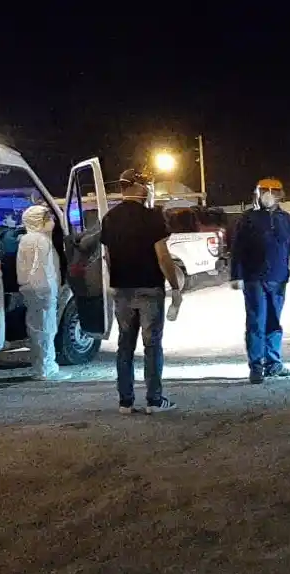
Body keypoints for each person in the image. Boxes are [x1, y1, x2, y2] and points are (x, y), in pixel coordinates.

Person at [100, 169, 182, 414]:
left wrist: (117, 281)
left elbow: (108, 257)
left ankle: (125, 401)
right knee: (152, 346)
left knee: (125, 346)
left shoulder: (109, 218)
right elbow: (163, 257)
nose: (149, 189)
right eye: (147, 185)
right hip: (149, 289)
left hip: (122, 290)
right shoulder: (152, 217)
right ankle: (154, 400)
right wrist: (175, 287)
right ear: (138, 186)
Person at [230, 177, 290, 384]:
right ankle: (256, 368)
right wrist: (236, 275)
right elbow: (237, 249)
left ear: (280, 195)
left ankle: (274, 365)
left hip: (278, 279)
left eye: (273, 191)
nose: (268, 194)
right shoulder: (247, 219)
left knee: (274, 323)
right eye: (264, 190)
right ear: (257, 193)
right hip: (253, 279)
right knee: (256, 322)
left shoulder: (289, 220)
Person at [17, 204, 73, 381]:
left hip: (35, 290)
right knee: (45, 330)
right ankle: (45, 369)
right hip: (42, 290)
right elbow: (40, 270)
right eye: (48, 218)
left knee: (40, 329)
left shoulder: (28, 239)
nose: (52, 221)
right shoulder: (39, 241)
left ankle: (43, 366)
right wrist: (48, 291)